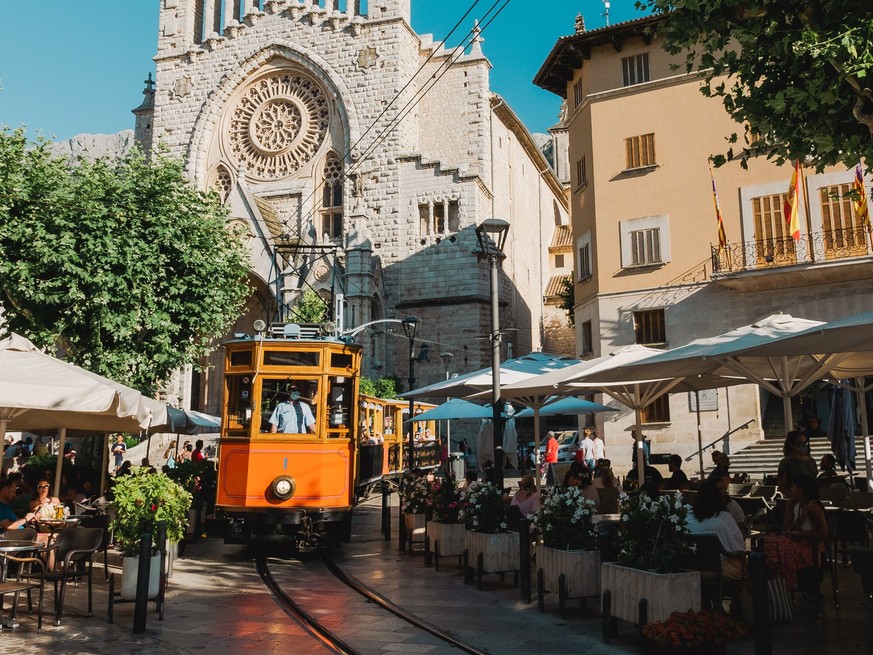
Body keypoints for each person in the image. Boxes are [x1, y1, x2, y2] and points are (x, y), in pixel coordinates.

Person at [763, 474, 828, 594]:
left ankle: (787, 583)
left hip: (810, 545)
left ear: (801, 488)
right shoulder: (796, 505)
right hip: (797, 540)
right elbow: (787, 527)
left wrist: (801, 534)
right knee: (768, 541)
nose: (791, 489)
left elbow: (824, 532)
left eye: (793, 487)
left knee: (776, 544)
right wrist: (792, 506)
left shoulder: (812, 507)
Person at [686, 478, 747, 585]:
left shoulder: (687, 519)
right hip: (718, 569)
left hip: (692, 567)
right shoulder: (723, 517)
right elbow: (739, 547)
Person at [777, 430, 817, 496]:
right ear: (792, 445)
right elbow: (781, 486)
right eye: (800, 443)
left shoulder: (811, 461)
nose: (803, 446)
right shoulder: (786, 462)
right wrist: (794, 498)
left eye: (805, 443)